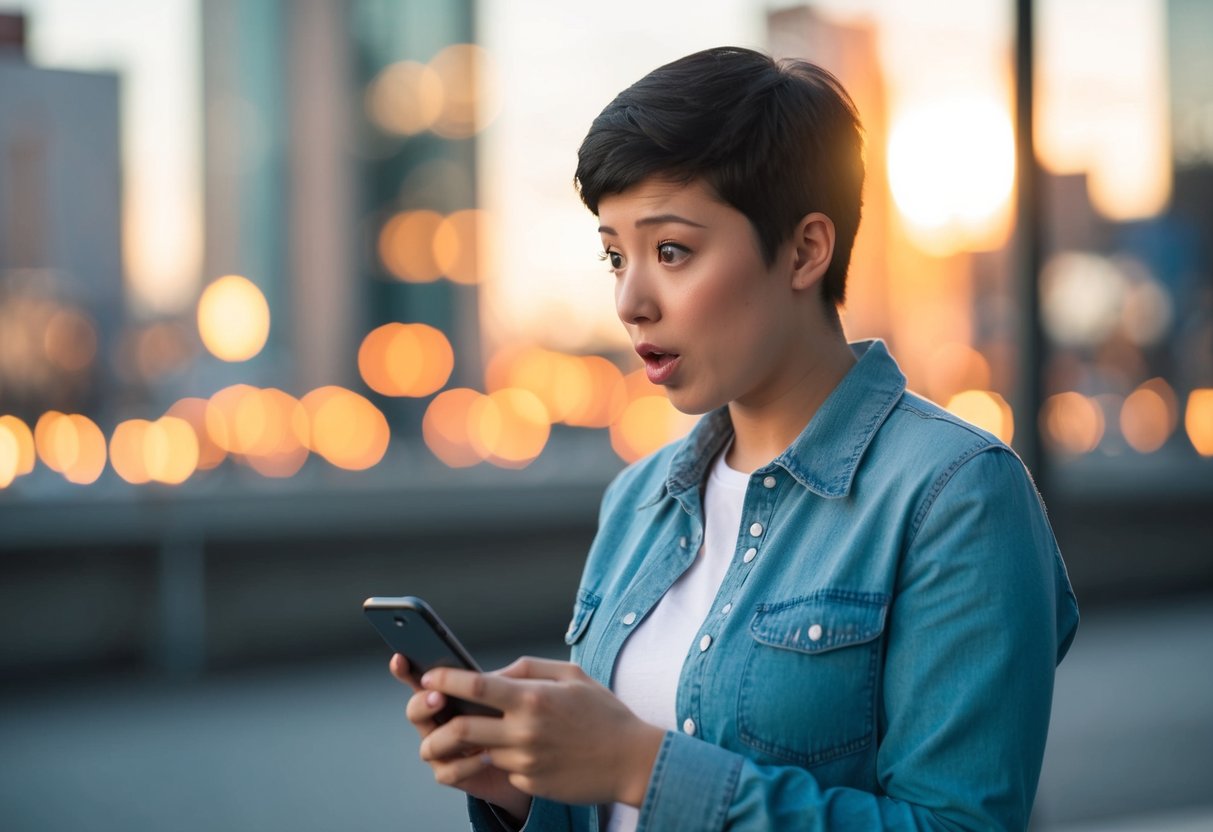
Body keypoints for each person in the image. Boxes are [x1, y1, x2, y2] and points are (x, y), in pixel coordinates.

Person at [390, 46, 1079, 831]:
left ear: (804, 250)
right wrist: (522, 788)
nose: (630, 300)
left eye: (671, 251)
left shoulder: (955, 494)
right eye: (614, 255)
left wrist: (637, 765)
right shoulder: (640, 499)